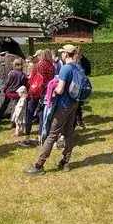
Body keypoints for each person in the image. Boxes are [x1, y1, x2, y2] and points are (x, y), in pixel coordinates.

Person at [24, 45, 82, 175]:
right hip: (74, 103)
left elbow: (60, 90)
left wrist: (53, 87)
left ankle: (39, 165)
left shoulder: (65, 68)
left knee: (52, 134)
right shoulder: (78, 66)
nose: (61, 55)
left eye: (63, 53)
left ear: (66, 54)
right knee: (69, 133)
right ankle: (65, 162)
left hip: (63, 105)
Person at [19, 49, 55, 147]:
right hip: (46, 93)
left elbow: (31, 80)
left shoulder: (37, 66)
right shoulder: (52, 67)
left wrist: (27, 88)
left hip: (34, 93)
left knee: (29, 115)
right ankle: (41, 138)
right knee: (42, 116)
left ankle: (27, 138)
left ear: (41, 56)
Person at [0, 57, 28, 126]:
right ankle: (13, 121)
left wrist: (4, 89)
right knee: (15, 107)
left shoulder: (11, 73)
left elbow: (7, 83)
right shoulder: (23, 74)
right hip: (17, 93)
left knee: (4, 105)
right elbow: (24, 84)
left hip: (9, 92)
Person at [74, 47, 91, 130]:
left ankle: (79, 120)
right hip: (76, 83)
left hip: (80, 84)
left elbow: (88, 70)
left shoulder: (84, 60)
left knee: (78, 103)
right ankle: (77, 120)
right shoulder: (73, 61)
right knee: (76, 103)